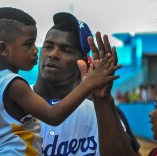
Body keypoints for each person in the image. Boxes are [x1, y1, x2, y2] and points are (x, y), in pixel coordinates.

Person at [0, 7, 120, 155]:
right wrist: (89, 83)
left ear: (81, 61)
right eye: (30, 44)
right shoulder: (15, 85)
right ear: (3, 49)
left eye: (66, 49)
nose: (36, 51)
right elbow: (53, 115)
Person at [33, 12, 140, 156]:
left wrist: (102, 100)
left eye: (66, 50)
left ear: (82, 62)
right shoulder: (10, 101)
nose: (53, 54)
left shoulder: (100, 113)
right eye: (48, 46)